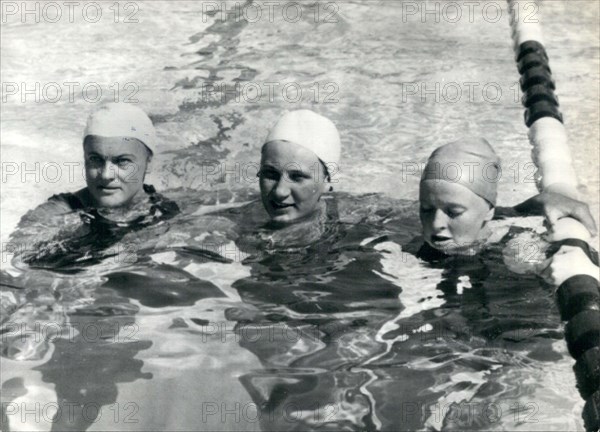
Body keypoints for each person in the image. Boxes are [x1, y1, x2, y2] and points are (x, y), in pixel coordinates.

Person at [9, 103, 179, 268]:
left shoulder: (170, 209)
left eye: (122, 161)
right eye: (95, 159)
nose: (106, 175)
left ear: (148, 161)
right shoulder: (58, 213)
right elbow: (17, 261)